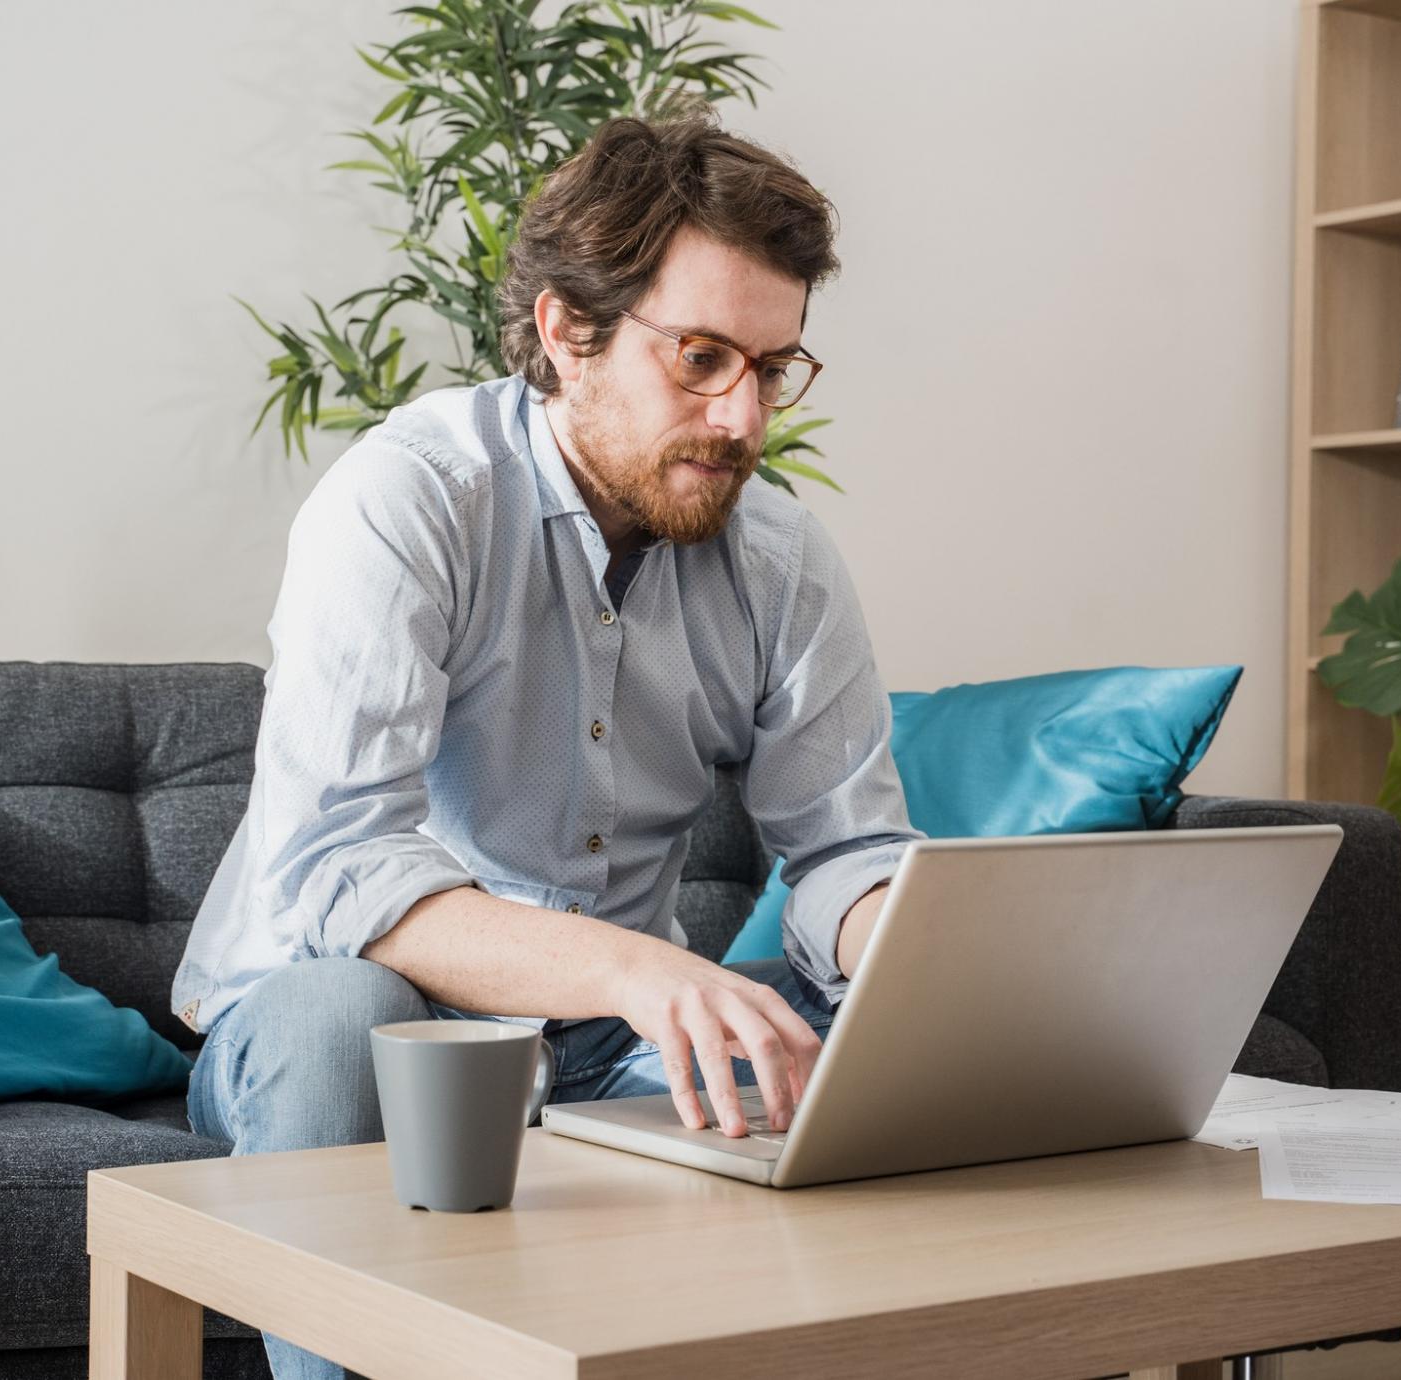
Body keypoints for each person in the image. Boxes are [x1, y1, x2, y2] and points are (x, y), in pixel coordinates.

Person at [172, 107, 923, 1380]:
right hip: (332, 1006)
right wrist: (637, 970)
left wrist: (924, 952)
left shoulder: (782, 560)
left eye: (772, 367)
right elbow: (344, 868)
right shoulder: (407, 497)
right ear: (566, 333)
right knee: (344, 1011)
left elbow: (846, 847)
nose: (743, 419)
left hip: (600, 1040)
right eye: (698, 358)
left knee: (837, 1040)